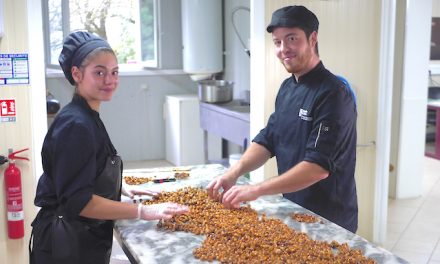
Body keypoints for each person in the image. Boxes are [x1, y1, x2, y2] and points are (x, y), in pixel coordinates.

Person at [29, 31, 188, 264]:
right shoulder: (76, 125)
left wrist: (118, 186)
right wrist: (141, 212)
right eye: (99, 72)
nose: (109, 80)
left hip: (82, 240)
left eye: (115, 72)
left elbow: (86, 167)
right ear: (77, 74)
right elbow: (79, 201)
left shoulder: (87, 114)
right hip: (65, 246)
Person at [207, 5, 358, 233]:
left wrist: (256, 189)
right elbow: (268, 139)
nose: (283, 49)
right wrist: (234, 172)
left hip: (329, 220)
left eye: (291, 39)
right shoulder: (287, 88)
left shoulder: (334, 93)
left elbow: (318, 167)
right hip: (294, 211)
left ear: (313, 38)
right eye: (277, 42)